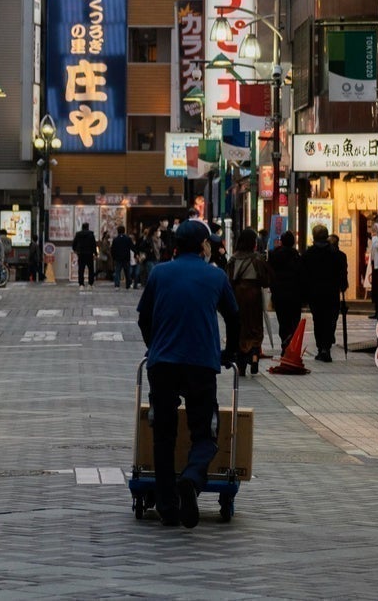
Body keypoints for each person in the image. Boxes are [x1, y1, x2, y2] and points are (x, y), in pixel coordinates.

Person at [136, 219, 239, 527]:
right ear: (204, 246)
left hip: (163, 364)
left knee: (163, 435)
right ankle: (192, 480)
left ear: (175, 245)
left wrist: (154, 346)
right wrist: (228, 353)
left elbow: (144, 318)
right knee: (205, 431)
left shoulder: (159, 272)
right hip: (201, 365)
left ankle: (167, 506)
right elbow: (234, 318)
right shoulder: (216, 276)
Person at [226, 229, 271, 375]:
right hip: (254, 295)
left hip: (237, 296)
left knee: (241, 327)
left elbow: (228, 280)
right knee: (255, 326)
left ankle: (241, 363)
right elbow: (266, 280)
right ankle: (254, 355)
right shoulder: (257, 259)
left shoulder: (233, 259)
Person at [303, 224, 348, 362]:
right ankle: (326, 347)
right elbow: (342, 274)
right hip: (331, 292)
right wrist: (343, 285)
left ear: (314, 237)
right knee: (330, 320)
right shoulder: (338, 255)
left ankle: (321, 348)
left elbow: (304, 275)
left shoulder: (308, 255)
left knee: (318, 320)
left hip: (315, 293)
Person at [267, 229, 304, 356]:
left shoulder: (273, 255)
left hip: (279, 293)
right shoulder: (297, 256)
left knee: (282, 320)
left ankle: (285, 340)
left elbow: (269, 273)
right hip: (295, 293)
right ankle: (290, 340)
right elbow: (301, 275)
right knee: (294, 319)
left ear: (281, 242)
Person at [73, 222, 97, 287]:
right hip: (89, 254)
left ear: (82, 227)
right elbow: (94, 245)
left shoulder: (78, 234)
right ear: (88, 227)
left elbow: (74, 243)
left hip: (81, 254)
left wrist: (75, 250)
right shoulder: (91, 234)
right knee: (90, 269)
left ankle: (81, 283)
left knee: (81, 269)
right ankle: (90, 283)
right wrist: (95, 253)